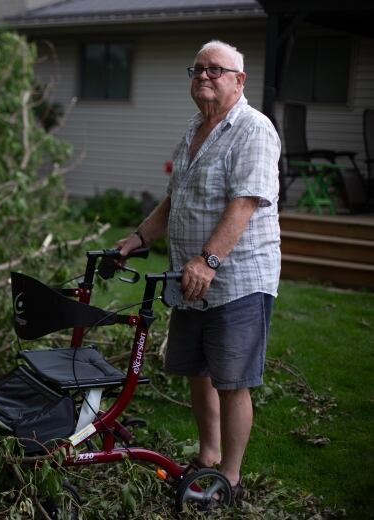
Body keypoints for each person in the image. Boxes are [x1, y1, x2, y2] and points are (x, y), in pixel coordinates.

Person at [116, 40, 281, 499]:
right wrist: (139, 237)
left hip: (236, 277)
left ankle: (230, 477)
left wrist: (208, 260)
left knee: (232, 379)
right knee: (198, 371)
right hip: (188, 278)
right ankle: (207, 457)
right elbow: (177, 197)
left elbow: (245, 202)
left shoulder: (254, 129)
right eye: (198, 69)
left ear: (239, 80)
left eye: (216, 69)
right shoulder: (195, 128)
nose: (204, 76)